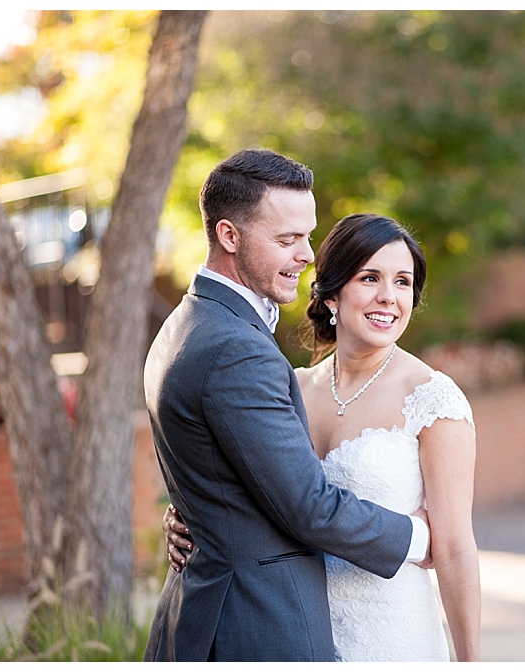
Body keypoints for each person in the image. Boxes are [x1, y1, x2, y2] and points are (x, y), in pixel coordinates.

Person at [142, 150, 433, 662]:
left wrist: (198, 511)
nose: (306, 254)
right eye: (286, 240)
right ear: (229, 236)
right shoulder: (235, 348)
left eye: (307, 235)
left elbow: (221, 468)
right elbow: (307, 506)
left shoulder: (185, 323)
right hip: (257, 626)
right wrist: (416, 536)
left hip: (214, 614)